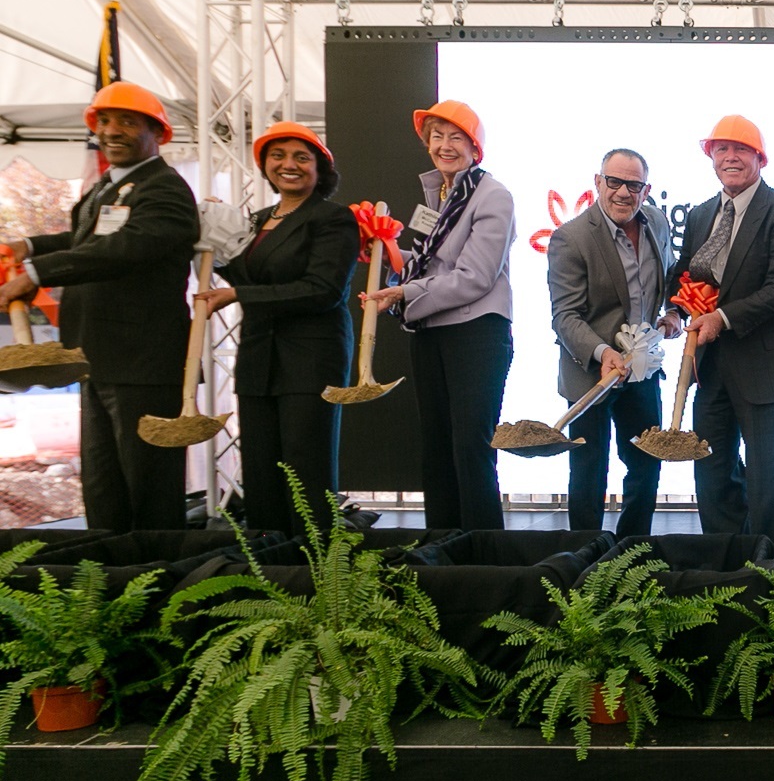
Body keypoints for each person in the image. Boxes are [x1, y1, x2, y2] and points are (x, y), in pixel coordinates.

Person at [1, 81, 198, 531]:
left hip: (143, 363)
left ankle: (157, 585)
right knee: (103, 487)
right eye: (104, 121)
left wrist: (35, 273)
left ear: (157, 133)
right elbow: (87, 240)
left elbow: (124, 248)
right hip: (97, 359)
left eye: (127, 121)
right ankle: (110, 582)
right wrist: (28, 244)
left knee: (148, 488)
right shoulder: (109, 188)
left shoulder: (164, 190)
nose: (112, 131)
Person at [196, 121, 360, 534]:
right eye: (278, 156)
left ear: (320, 169)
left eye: (301, 157)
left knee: (307, 472)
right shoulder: (255, 220)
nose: (289, 165)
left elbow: (321, 290)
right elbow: (244, 277)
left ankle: (318, 577)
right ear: (265, 165)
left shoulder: (332, 219)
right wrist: (214, 237)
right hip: (258, 360)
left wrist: (239, 297)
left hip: (309, 360)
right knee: (261, 471)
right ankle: (269, 573)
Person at [366, 100, 516, 530]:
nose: (444, 146)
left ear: (475, 147)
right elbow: (429, 264)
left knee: (471, 446)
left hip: (476, 335)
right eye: (436, 136)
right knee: (436, 447)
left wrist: (405, 290)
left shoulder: (494, 195)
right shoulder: (438, 192)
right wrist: (387, 252)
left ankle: (484, 552)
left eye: (455, 137)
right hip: (431, 332)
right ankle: (442, 544)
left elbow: (474, 277)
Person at [669, 115, 774, 541]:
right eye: (721, 150)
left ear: (759, 159)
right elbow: (685, 275)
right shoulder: (699, 214)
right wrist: (673, 311)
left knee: (768, 476)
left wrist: (721, 318)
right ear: (711, 157)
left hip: (763, 365)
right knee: (711, 469)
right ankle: (724, 560)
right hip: (710, 366)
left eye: (740, 150)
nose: (730, 157)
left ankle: (768, 565)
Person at [546, 147, 678, 535]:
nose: (623, 192)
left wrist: (673, 313)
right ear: (598, 182)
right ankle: (586, 557)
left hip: (642, 372)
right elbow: (564, 315)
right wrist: (602, 353)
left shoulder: (657, 222)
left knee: (645, 465)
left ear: (647, 189)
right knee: (589, 470)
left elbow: (668, 277)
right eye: (614, 182)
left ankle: (633, 550)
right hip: (591, 373)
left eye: (633, 185)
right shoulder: (570, 239)